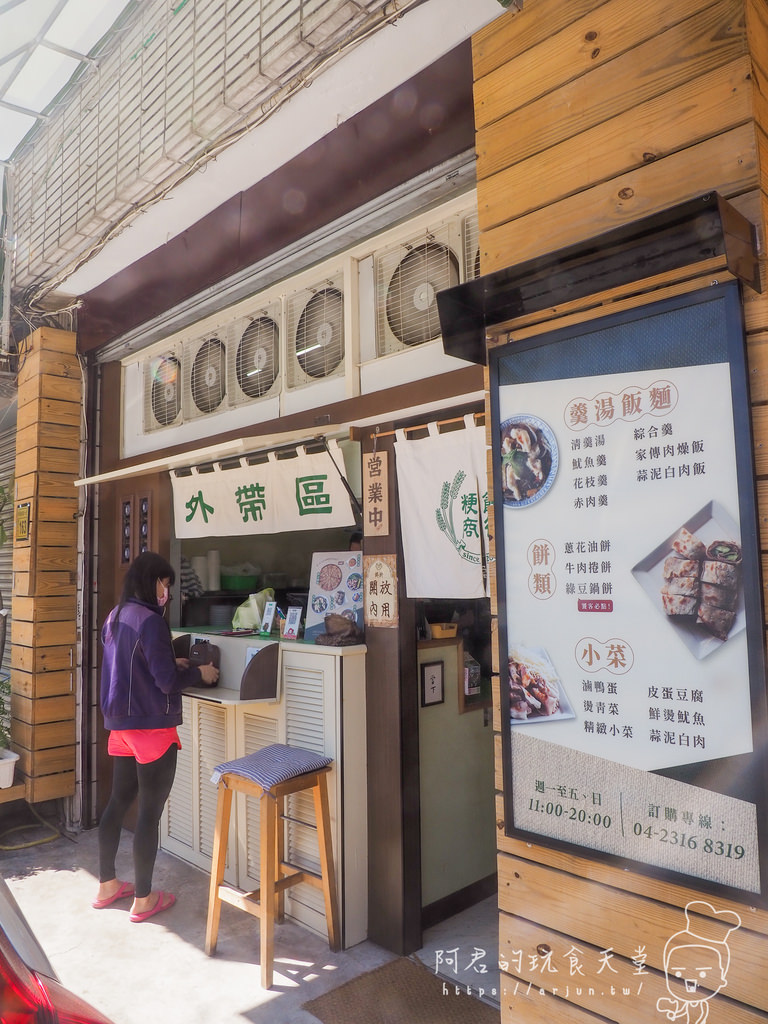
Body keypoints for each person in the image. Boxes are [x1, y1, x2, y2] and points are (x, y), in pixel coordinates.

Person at [94, 551, 219, 922]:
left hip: (120, 726)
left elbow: (134, 667)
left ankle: (107, 886)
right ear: (153, 582)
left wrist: (175, 662)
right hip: (151, 727)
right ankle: (145, 899)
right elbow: (165, 681)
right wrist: (201, 674)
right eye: (165, 584)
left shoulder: (115, 616)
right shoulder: (150, 621)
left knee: (118, 803)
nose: (167, 592)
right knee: (149, 813)